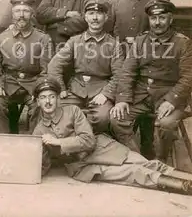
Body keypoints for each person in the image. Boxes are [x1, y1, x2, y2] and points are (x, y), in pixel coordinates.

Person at [33, 77, 192, 196]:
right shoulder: (39, 131)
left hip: (101, 149)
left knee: (148, 163)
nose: (48, 101)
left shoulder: (73, 111)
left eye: (51, 96)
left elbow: (88, 141)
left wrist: (58, 142)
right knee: (134, 173)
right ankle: (186, 188)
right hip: (83, 166)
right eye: (43, 98)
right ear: (37, 102)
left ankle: (188, 178)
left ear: (58, 98)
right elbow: (42, 164)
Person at [110, 0, 192, 161]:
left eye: (162, 18)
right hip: (141, 96)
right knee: (117, 119)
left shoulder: (183, 43)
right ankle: (138, 159)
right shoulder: (140, 41)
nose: (157, 22)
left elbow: (188, 77)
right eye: (153, 18)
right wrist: (122, 100)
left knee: (167, 125)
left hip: (169, 96)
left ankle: (160, 160)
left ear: (170, 19)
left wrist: (171, 101)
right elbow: (127, 72)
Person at [105, 0, 167, 159]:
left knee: (145, 104)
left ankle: (147, 147)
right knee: (122, 104)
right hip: (122, 62)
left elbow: (165, 36)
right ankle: (128, 152)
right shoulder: (115, 1)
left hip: (149, 64)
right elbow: (108, 35)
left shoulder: (159, 0)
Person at [48, 0, 123, 133]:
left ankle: (97, 145)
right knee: (55, 110)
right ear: (85, 17)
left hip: (100, 90)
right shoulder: (75, 41)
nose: (95, 18)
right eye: (91, 14)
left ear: (106, 17)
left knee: (102, 117)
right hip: (76, 89)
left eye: (99, 14)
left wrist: (106, 94)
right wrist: (61, 88)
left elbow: (119, 75)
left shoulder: (114, 45)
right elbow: (54, 65)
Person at [0, 0, 53, 133]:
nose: (21, 15)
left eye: (25, 11)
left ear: (32, 14)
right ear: (12, 14)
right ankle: (1, 142)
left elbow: (46, 70)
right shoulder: (1, 38)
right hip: (8, 83)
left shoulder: (43, 38)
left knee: (39, 104)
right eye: (18, 11)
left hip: (32, 84)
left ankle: (34, 143)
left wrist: (39, 89)